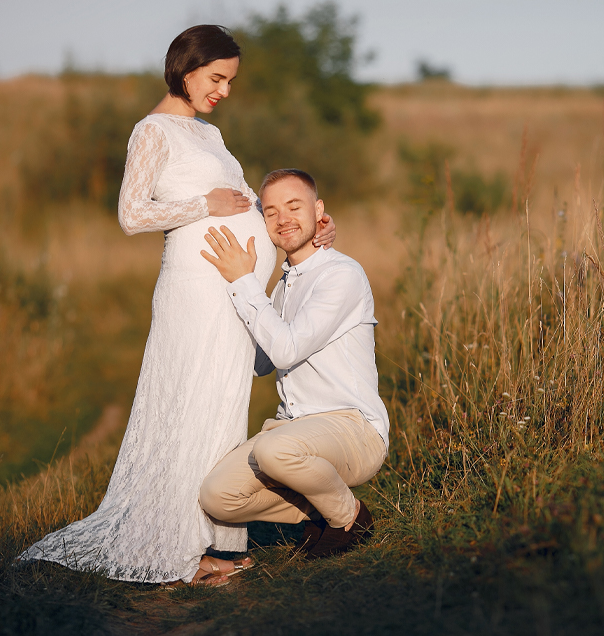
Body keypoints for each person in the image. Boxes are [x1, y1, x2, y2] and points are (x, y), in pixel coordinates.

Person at [19, 26, 334, 587]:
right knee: (189, 404)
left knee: (221, 407)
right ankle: (181, 544)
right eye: (217, 78)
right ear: (186, 68)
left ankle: (218, 540)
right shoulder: (152, 131)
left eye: (230, 82)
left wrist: (304, 230)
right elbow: (131, 214)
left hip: (232, 293)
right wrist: (201, 204)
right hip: (194, 292)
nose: (224, 91)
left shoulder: (209, 136)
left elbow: (245, 206)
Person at [198, 169, 388, 558]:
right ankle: (319, 510)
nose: (283, 219)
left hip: (353, 428)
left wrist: (243, 281)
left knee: (273, 450)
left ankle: (351, 516)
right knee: (217, 495)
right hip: (296, 430)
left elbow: (285, 350)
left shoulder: (342, 275)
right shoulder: (285, 285)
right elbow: (265, 363)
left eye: (294, 206)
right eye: (270, 212)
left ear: (319, 210)